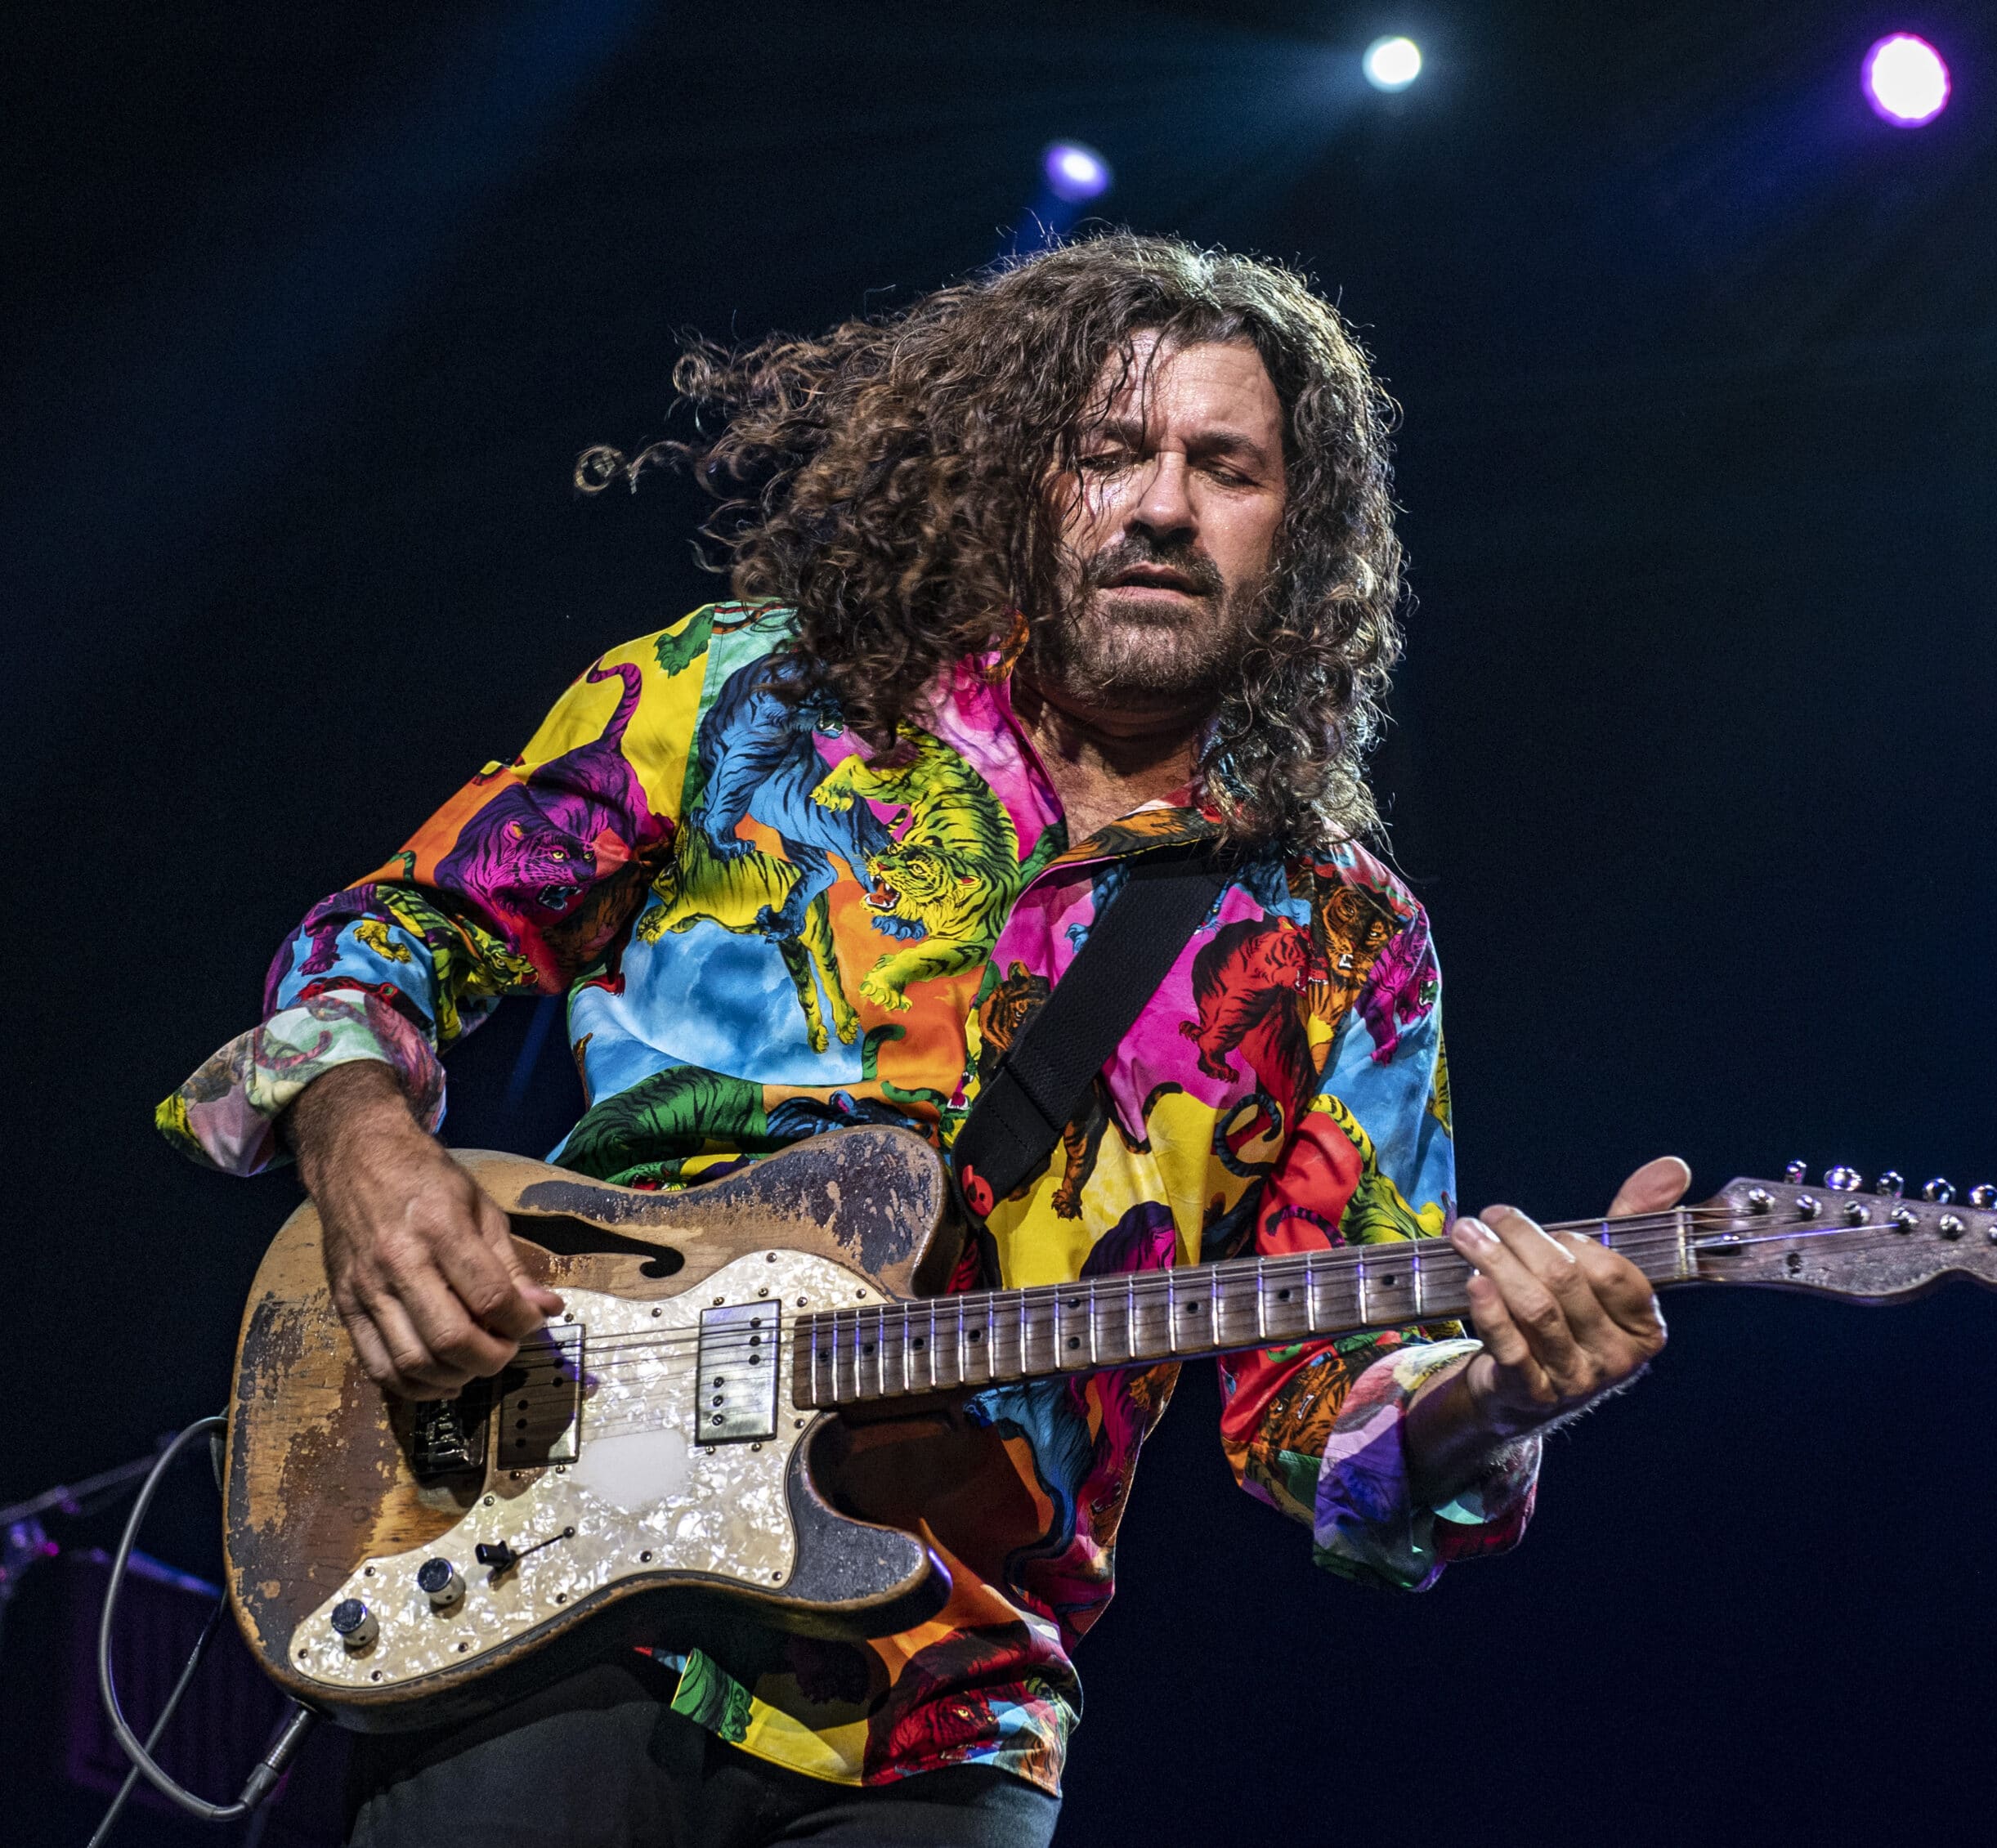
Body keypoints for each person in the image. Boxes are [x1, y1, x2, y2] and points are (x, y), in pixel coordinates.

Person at [159, 233, 1679, 1848]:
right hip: (546, 1581)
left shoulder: (1341, 940)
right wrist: (365, 1152)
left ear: (1293, 537)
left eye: (1223, 468)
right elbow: (381, 943)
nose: (1160, 503)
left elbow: (1325, 1422)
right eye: (1112, 453)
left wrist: (1490, 1406)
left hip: (951, 1696)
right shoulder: (745, 699)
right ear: (1026, 484)